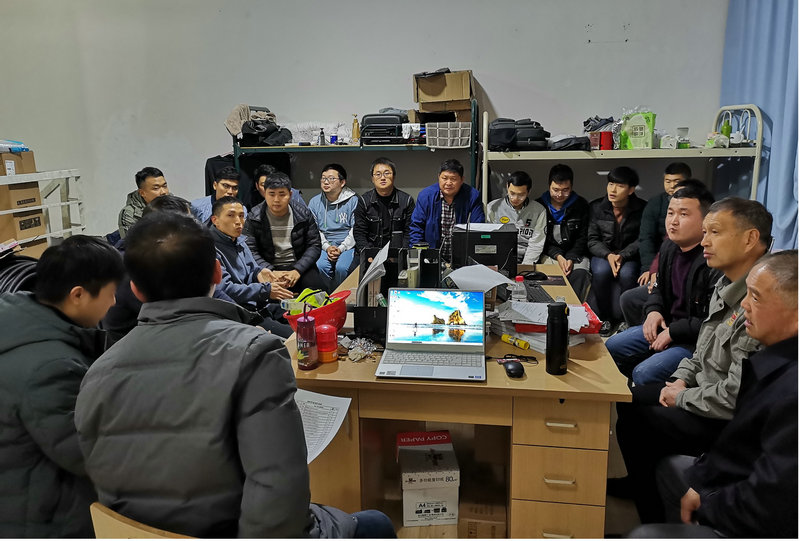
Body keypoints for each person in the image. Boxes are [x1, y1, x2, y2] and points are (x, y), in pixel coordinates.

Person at [74, 213, 395, 538]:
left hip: (135, 533)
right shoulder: (255, 353)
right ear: (217, 272)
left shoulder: (98, 371)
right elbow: (278, 507)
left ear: (135, 290)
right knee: (376, 523)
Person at [613, 197, 771, 524]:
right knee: (628, 399)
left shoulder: (761, 299)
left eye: (715, 232)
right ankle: (643, 487)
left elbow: (734, 397)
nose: (705, 241)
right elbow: (703, 350)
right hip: (703, 391)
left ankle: (655, 519)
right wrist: (681, 379)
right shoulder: (726, 282)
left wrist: (682, 396)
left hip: (728, 418)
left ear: (750, 239)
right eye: (705, 231)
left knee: (641, 418)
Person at [630, 250, 797, 538]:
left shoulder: (788, 387)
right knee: (636, 412)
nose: (744, 304)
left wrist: (710, 504)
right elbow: (742, 444)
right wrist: (703, 478)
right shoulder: (772, 357)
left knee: (645, 534)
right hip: (715, 421)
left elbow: (770, 497)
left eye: (756, 298)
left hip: (757, 515)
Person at [0, 236, 124, 537]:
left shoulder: (17, 323)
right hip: (41, 516)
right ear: (78, 295)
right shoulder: (51, 369)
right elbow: (89, 455)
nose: (114, 303)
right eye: (110, 293)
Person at [606, 181, 719, 385]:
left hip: (693, 341)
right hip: (667, 325)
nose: (673, 221)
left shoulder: (712, 259)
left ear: (706, 220)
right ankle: (636, 393)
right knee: (611, 346)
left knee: (645, 373)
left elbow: (711, 320)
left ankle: (656, 395)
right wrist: (654, 311)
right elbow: (657, 287)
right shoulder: (669, 247)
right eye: (670, 213)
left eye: (683, 214)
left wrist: (673, 332)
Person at [101, 194, 235, 344]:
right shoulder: (133, 263)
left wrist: (243, 317)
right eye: (188, 223)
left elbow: (214, 292)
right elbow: (181, 313)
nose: (194, 229)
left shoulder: (174, 253)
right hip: (138, 344)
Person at [619, 163, 694, 329]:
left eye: (677, 182)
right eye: (668, 181)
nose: (672, 186)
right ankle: (641, 329)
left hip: (680, 268)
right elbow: (646, 238)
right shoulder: (655, 203)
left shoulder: (698, 207)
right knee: (631, 294)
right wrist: (650, 269)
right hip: (657, 261)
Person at [211, 196, 293, 338]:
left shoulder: (239, 240)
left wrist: (260, 272)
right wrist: (265, 290)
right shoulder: (209, 248)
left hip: (260, 305)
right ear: (215, 220)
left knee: (308, 315)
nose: (238, 221)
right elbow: (225, 289)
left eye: (241, 216)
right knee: (296, 334)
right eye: (231, 215)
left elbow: (253, 269)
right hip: (243, 314)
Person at [587, 166, 646, 335]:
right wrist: (609, 255)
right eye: (610, 184)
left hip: (629, 255)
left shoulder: (642, 208)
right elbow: (592, 240)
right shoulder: (596, 207)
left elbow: (642, 239)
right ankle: (604, 317)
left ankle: (626, 320)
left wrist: (622, 255)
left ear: (631, 190)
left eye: (620, 186)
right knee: (600, 272)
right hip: (603, 253)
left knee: (628, 274)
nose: (613, 190)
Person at [243, 171, 324, 293]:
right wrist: (270, 270)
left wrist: (297, 270)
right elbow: (250, 249)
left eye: (282, 194)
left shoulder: (303, 214)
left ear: (290, 194)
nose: (276, 199)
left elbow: (314, 245)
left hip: (299, 266)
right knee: (260, 296)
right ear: (265, 193)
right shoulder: (254, 216)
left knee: (318, 293)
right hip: (268, 268)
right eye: (271, 194)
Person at [409, 159, 484, 263]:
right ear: (438, 177)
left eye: (453, 179)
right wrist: (419, 257)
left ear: (462, 180)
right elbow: (416, 228)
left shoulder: (473, 196)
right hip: (431, 258)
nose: (448, 183)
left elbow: (478, 228)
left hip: (463, 259)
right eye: (444, 178)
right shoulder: (426, 196)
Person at [535, 164, 591, 300]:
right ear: (549, 186)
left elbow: (583, 237)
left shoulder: (581, 205)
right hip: (550, 253)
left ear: (571, 187)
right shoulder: (539, 206)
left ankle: (575, 307)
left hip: (576, 254)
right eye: (555, 190)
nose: (560, 195)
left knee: (580, 274)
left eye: (565, 190)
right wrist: (558, 256)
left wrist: (571, 257)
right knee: (549, 276)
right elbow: (539, 238)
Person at [308, 164, 359, 291]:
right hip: (323, 243)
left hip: (347, 244)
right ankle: (329, 295)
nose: (326, 182)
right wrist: (327, 247)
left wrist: (341, 248)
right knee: (320, 266)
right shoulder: (314, 202)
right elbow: (314, 230)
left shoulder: (353, 200)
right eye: (323, 178)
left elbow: (356, 229)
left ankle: (340, 296)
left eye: (331, 178)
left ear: (342, 182)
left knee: (342, 268)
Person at [353, 157, 416, 251]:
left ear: (394, 176)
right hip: (371, 251)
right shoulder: (364, 201)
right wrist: (368, 254)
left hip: (398, 252)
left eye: (387, 173)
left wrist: (401, 253)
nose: (382, 178)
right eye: (378, 174)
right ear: (372, 179)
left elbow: (409, 232)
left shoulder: (407, 201)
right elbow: (359, 232)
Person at [486, 171, 547, 265]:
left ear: (529, 192)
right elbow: (489, 240)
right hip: (500, 258)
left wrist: (525, 266)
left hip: (527, 258)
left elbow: (536, 243)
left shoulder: (539, 210)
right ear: (507, 187)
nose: (515, 198)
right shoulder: (493, 207)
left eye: (521, 195)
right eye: (512, 193)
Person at [118, 166, 169, 238]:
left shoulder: (176, 204)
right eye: (156, 188)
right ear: (142, 193)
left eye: (164, 186)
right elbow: (131, 243)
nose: (163, 192)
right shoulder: (129, 214)